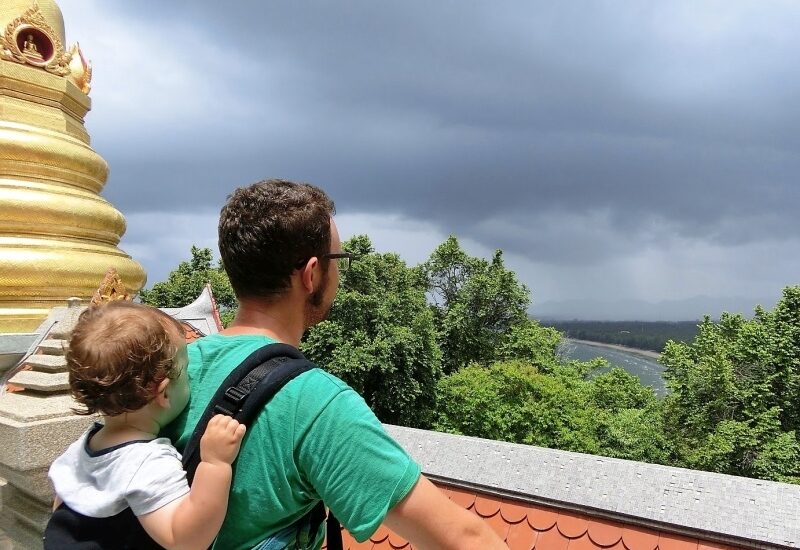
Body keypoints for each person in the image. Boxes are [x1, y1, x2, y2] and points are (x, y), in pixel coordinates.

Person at [164, 179, 508, 549]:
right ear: (311, 274)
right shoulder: (316, 403)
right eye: (337, 261)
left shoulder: (165, 367)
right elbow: (463, 539)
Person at [45, 301, 247, 550]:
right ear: (163, 393)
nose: (191, 378)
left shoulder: (82, 447)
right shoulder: (147, 461)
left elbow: (61, 508)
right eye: (186, 372)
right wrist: (215, 464)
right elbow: (186, 540)